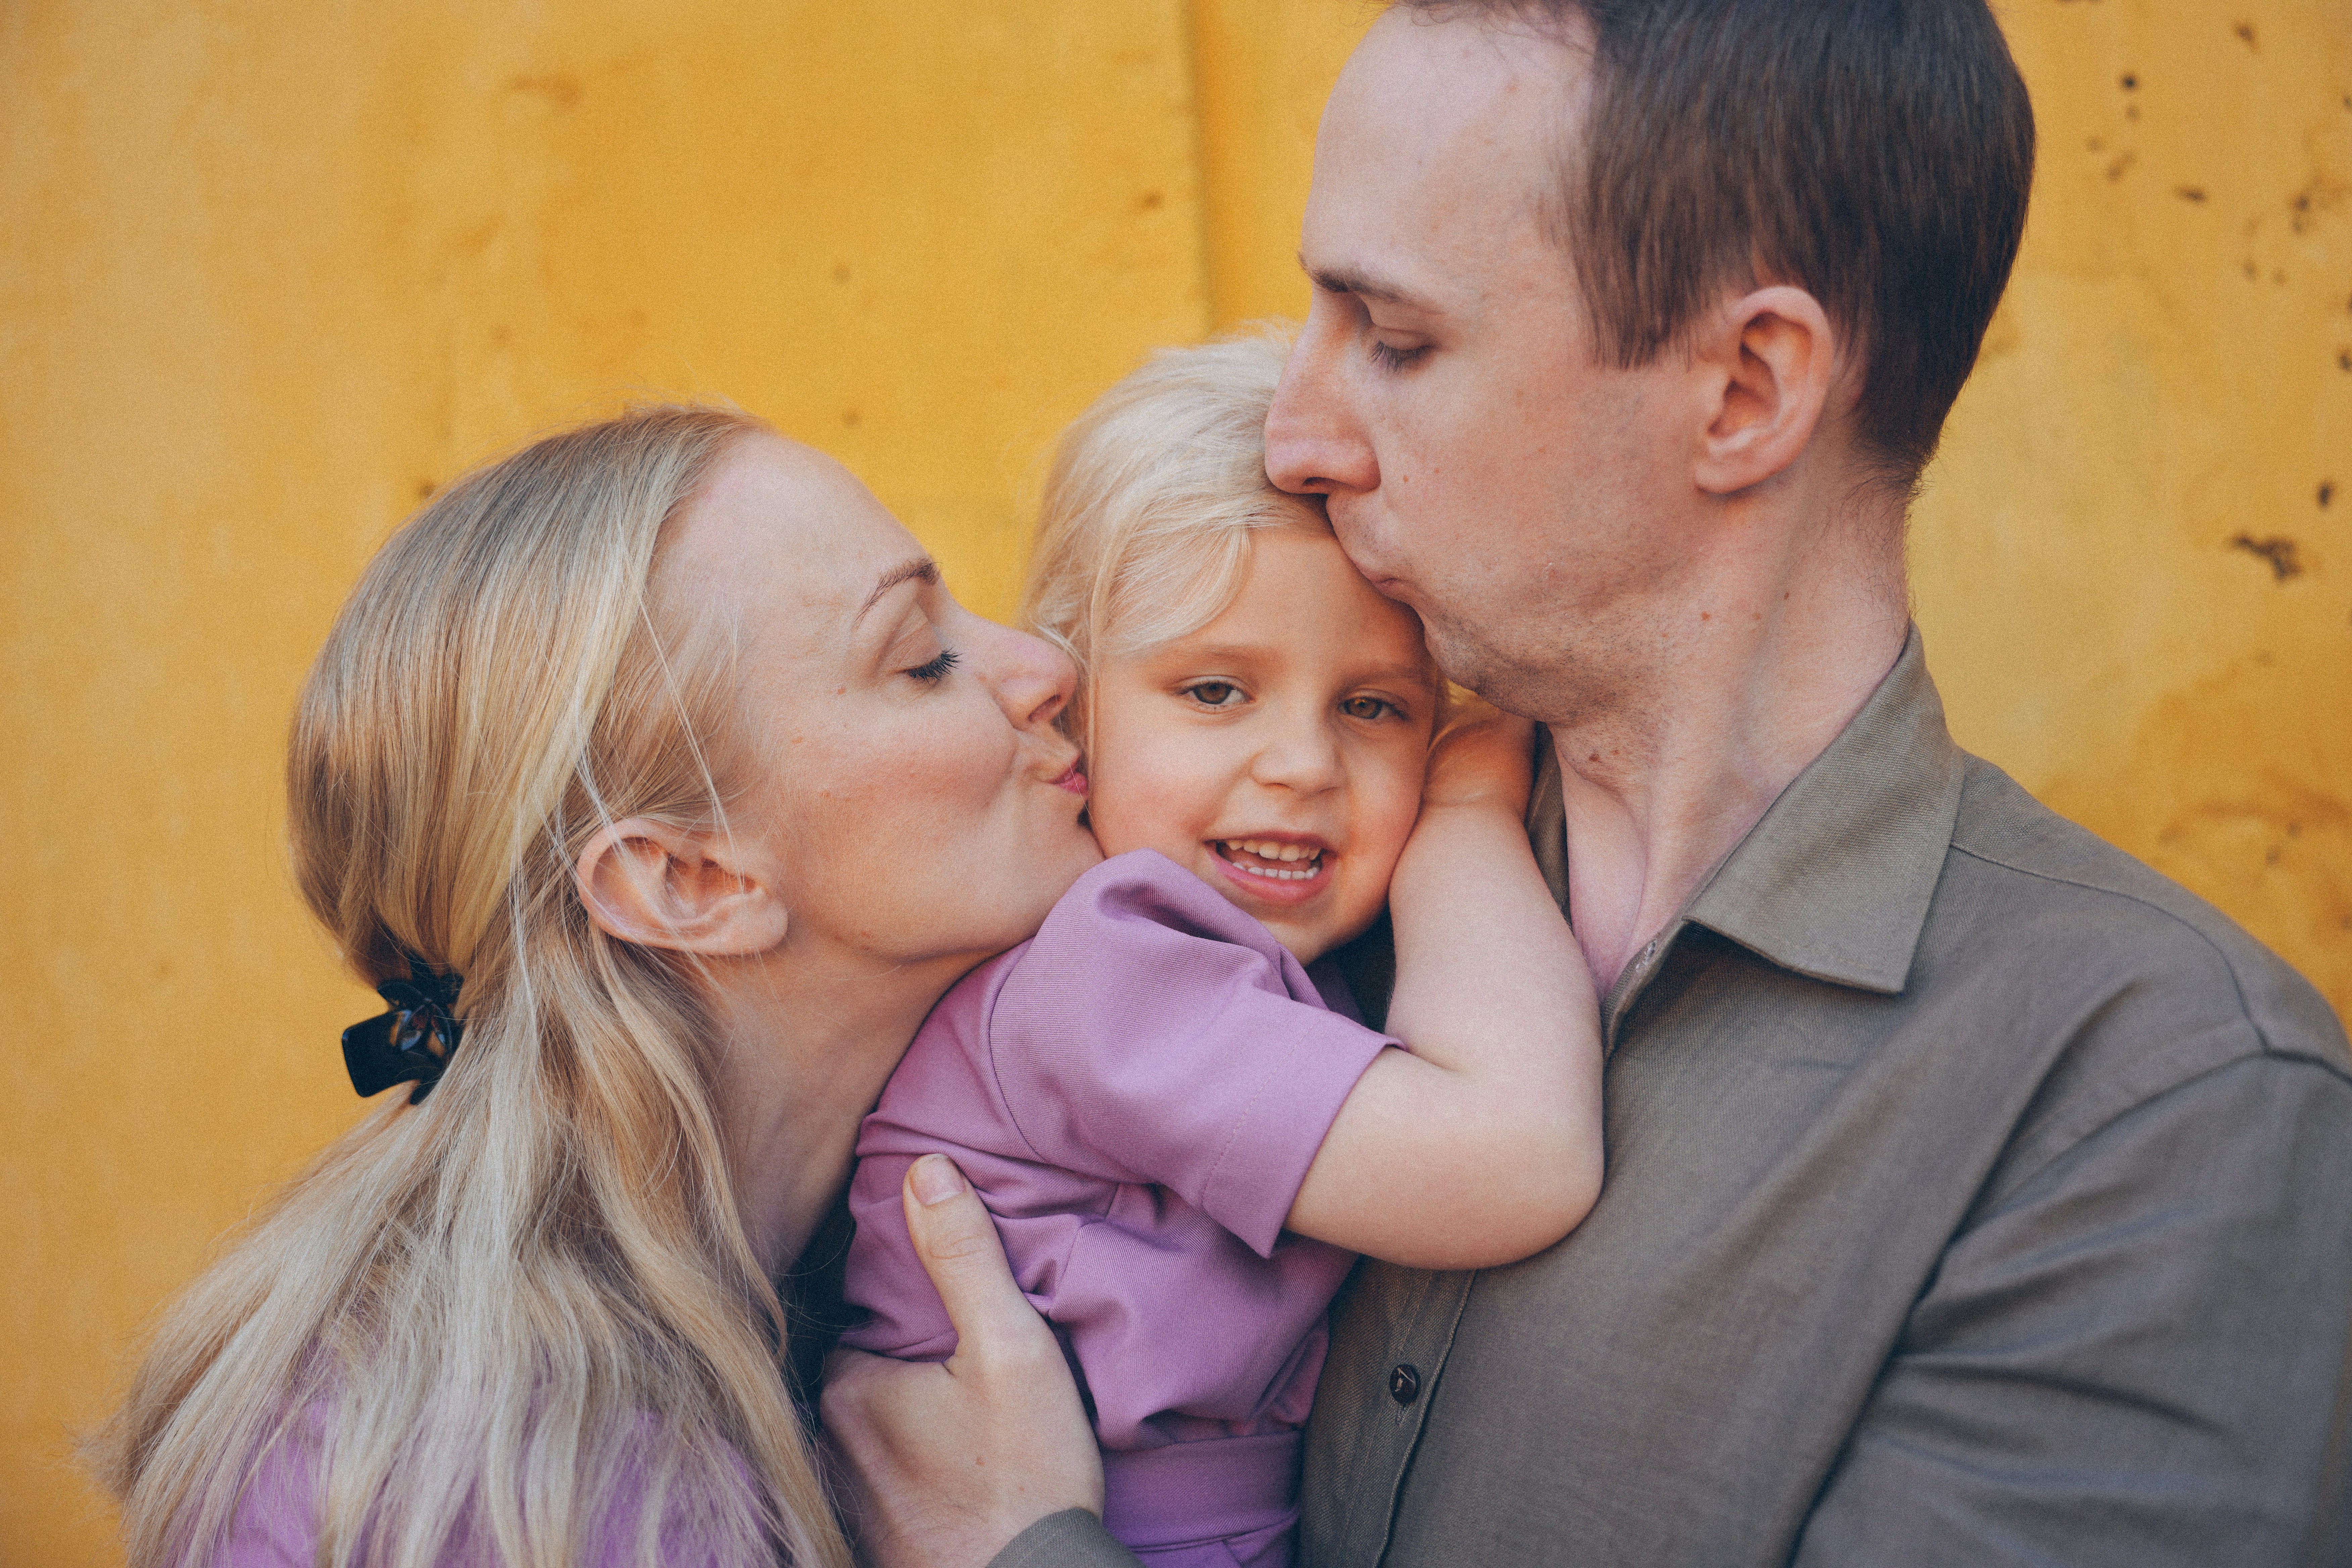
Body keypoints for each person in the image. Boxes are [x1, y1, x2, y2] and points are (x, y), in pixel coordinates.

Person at [818, 3, 2352, 1564]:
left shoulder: (2154, 1105)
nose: (1299, 433)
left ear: (1746, 388)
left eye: (1396, 340)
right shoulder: (1241, 878)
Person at [92, 405, 1108, 1567]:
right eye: (922, 659)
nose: (1046, 668)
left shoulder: (886, 1230)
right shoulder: (503, 1488)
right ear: (687, 879)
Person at [836, 333, 1603, 1568]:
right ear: (1072, 710)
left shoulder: (1238, 962)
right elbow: (1518, 1160)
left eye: (1375, 706)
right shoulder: (1106, 974)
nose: (1303, 765)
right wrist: (1464, 819)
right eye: (1214, 693)